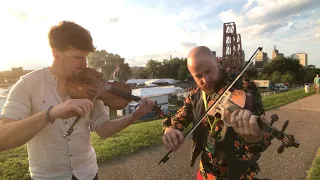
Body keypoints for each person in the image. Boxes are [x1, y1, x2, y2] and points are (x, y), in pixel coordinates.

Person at [0, 21, 155, 180]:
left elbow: (103, 129)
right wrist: (51, 113)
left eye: (85, 57)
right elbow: (3, 138)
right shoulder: (28, 84)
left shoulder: (90, 83)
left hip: (88, 174)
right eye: (76, 57)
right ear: (55, 54)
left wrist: (134, 116)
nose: (84, 64)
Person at [162, 46, 273, 180]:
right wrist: (170, 129)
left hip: (238, 174)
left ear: (218, 62)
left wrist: (255, 139)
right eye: (198, 76)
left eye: (209, 71)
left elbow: (263, 139)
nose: (206, 80)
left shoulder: (243, 86)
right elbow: (179, 119)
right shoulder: (195, 95)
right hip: (206, 173)